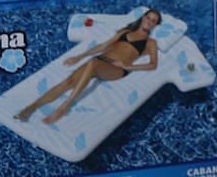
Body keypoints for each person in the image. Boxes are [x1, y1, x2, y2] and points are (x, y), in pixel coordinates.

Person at [14, 8, 161, 124]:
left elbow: (153, 65)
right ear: (143, 17)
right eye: (148, 17)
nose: (149, 21)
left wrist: (127, 66)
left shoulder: (150, 43)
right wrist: (79, 57)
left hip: (117, 69)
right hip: (100, 60)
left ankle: (64, 107)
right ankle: (29, 109)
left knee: (92, 63)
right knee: (67, 82)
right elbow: (104, 45)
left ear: (155, 25)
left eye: (153, 21)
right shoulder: (125, 31)